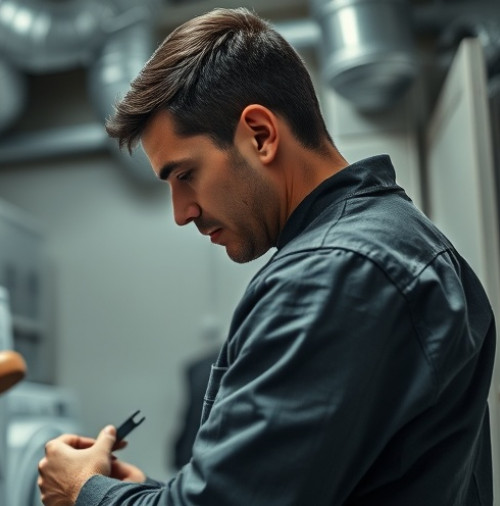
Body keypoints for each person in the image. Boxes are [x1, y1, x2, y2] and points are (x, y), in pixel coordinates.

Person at [37, 7, 495, 506]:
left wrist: (85, 490)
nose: (181, 213)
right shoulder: (385, 243)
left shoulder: (334, 272)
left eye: (184, 174)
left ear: (260, 134)